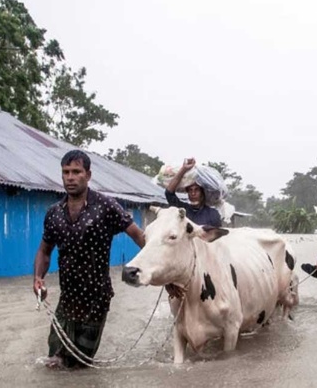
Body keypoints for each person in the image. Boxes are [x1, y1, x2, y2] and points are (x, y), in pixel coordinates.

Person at [32, 150, 145, 369]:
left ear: (88, 175)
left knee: (78, 367)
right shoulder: (54, 213)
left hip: (96, 301)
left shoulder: (107, 206)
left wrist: (161, 270)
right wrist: (38, 278)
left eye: (76, 172)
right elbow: (44, 251)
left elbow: (138, 235)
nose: (70, 177)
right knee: (53, 363)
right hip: (66, 301)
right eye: (66, 172)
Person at [164, 157, 222, 227]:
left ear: (203, 192)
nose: (193, 193)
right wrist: (184, 169)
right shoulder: (182, 209)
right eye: (190, 190)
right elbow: (169, 193)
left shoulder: (213, 214)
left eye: (196, 190)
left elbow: (218, 236)